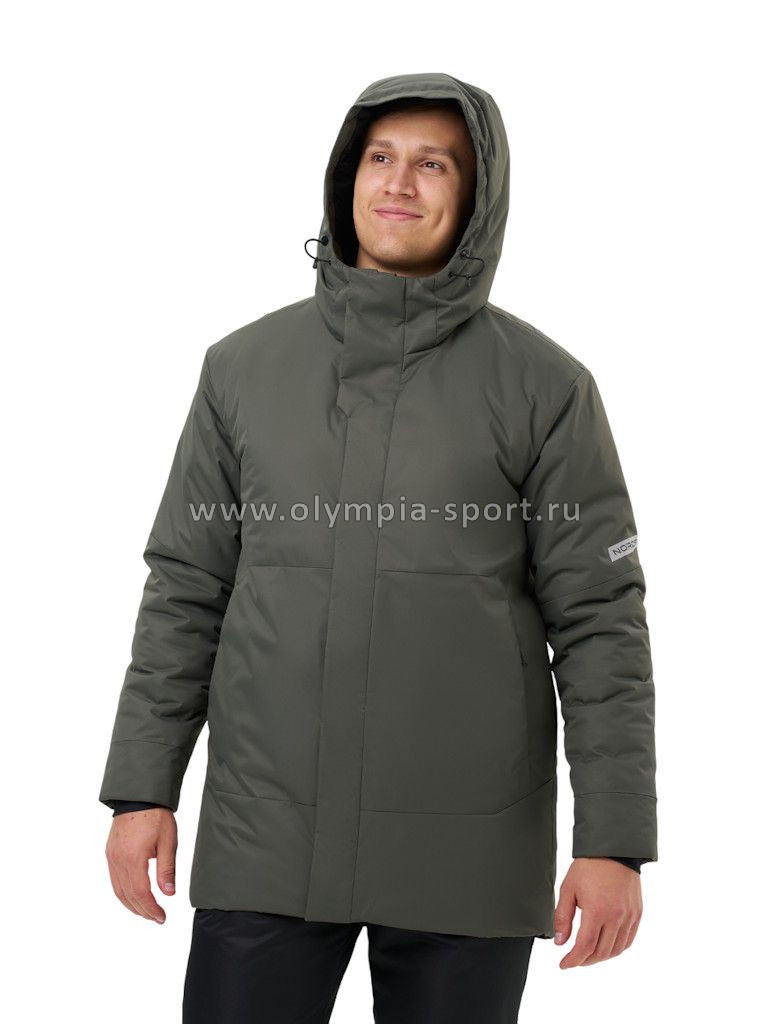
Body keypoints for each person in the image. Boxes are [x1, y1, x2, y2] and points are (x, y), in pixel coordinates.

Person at [100, 72, 657, 1023]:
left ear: (476, 198)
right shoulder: (242, 370)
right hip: (266, 845)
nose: (399, 182)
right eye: (380, 157)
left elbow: (601, 623)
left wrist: (613, 841)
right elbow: (186, 589)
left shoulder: (547, 388)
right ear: (346, 177)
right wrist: (140, 789)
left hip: (469, 859)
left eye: (433, 164)